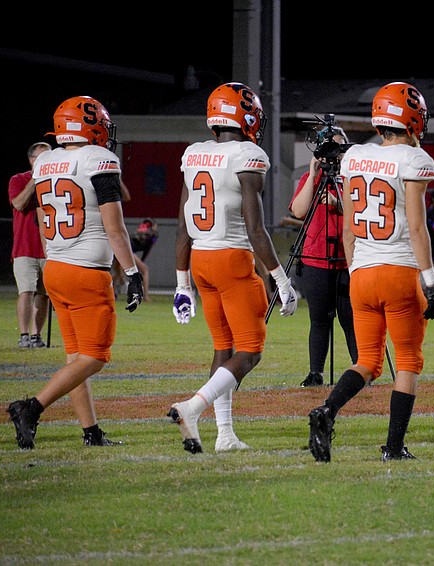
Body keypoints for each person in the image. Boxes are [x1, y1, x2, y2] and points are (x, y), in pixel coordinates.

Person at [307, 81, 434, 463]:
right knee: (408, 361)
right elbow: (417, 228)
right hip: (400, 271)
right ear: (413, 118)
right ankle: (394, 447)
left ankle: (327, 409)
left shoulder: (356, 157)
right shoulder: (414, 160)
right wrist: (431, 282)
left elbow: (349, 228)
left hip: (362, 273)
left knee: (367, 361)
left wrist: (356, 270)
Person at [167, 82, 298, 454]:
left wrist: (182, 284)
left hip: (200, 261)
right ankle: (193, 407)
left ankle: (224, 435)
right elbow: (255, 229)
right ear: (247, 117)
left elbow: (181, 227)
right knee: (251, 350)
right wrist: (281, 279)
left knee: (223, 347)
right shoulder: (247, 154)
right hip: (232, 260)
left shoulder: (194, 154)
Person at [7, 96, 144, 449]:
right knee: (95, 356)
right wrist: (133, 272)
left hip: (56, 267)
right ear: (90, 126)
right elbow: (115, 229)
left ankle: (91, 432)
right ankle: (31, 408)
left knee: (76, 358)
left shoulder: (45, 161)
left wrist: (53, 256)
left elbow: (41, 221)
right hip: (86, 272)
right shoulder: (98, 159)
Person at [289, 126, 358, 387]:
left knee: (351, 320)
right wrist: (313, 174)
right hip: (316, 258)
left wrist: (338, 203)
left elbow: (360, 213)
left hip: (347, 259)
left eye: (338, 149)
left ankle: (362, 370)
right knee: (319, 319)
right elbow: (298, 211)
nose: (334, 155)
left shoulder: (353, 179)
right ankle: (315, 372)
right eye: (329, 148)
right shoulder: (312, 179)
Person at [8, 142, 51, 349]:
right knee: (26, 291)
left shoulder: (55, 181)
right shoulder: (18, 179)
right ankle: (24, 335)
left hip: (49, 247)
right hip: (25, 247)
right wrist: (35, 179)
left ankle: (37, 335)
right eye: (42, 157)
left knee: (44, 294)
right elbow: (18, 203)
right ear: (32, 160)